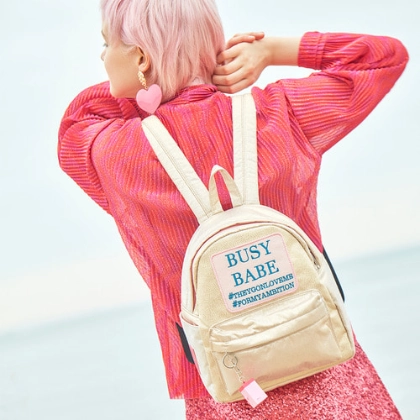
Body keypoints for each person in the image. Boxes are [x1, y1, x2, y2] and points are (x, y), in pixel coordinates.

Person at [58, 0, 409, 418]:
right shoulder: (279, 114)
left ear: (140, 57)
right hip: (321, 356)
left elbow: (76, 123)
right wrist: (269, 51)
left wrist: (153, 83)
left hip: (227, 387)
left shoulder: (117, 154)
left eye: (107, 44)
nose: (103, 57)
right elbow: (382, 58)